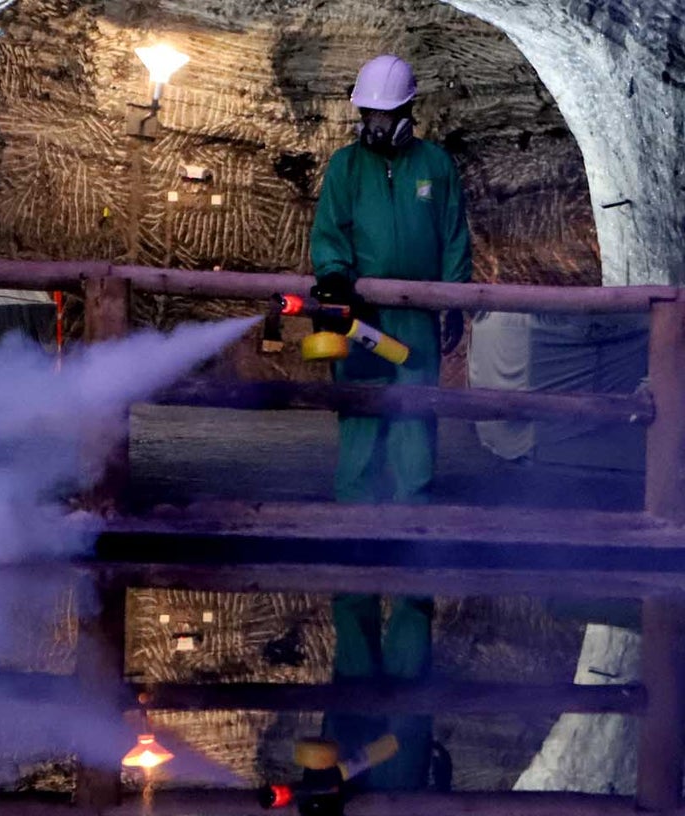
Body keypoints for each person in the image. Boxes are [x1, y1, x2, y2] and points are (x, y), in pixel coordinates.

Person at [308, 53, 472, 791]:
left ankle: (412, 527)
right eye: (367, 116)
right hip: (364, 321)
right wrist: (334, 278)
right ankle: (355, 529)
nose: (376, 125)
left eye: (385, 115)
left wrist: (455, 298)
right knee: (361, 422)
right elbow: (331, 231)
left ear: (408, 113)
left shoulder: (436, 165)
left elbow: (455, 236)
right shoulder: (345, 167)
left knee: (414, 424)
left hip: (417, 317)